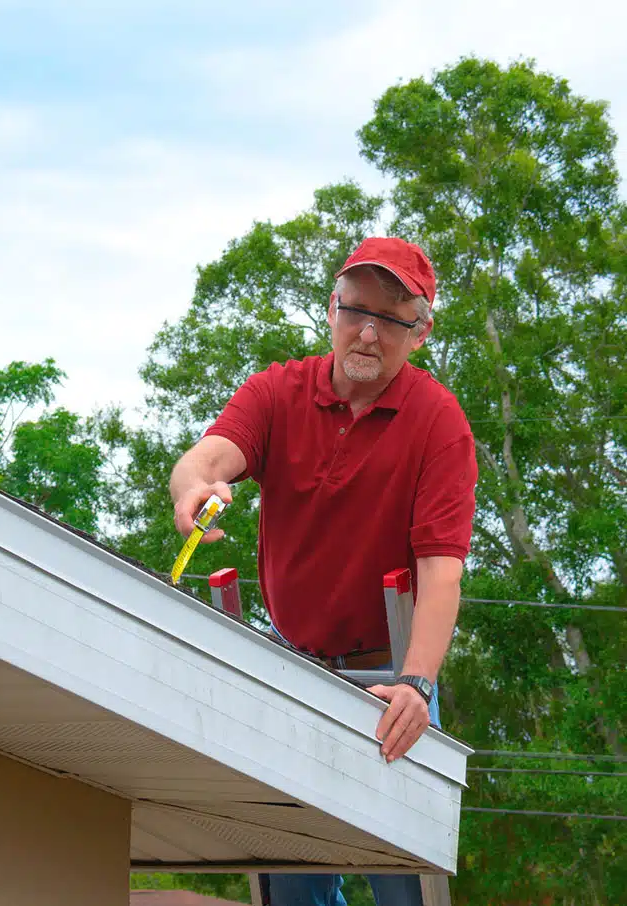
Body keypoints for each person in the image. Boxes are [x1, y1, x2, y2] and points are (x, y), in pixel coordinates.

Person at [169, 236, 478, 906]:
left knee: (403, 883)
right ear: (331, 310)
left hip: (388, 685)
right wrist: (195, 486)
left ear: (419, 332)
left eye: (392, 319)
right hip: (292, 667)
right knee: (290, 882)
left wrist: (417, 687)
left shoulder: (437, 423)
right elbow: (210, 456)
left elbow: (442, 572)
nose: (368, 332)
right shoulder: (278, 392)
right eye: (354, 311)